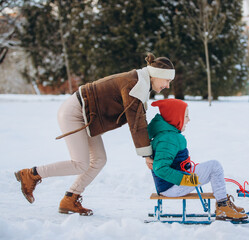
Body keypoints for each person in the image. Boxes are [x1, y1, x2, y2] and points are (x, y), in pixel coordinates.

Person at [15, 53, 175, 216]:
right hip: (75, 112)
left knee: (99, 159)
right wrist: (147, 155)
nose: (168, 86)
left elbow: (139, 119)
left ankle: (70, 199)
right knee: (80, 163)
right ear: (157, 75)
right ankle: (31, 174)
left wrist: (147, 151)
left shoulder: (139, 82)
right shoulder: (135, 85)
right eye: (167, 80)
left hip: (87, 116)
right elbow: (137, 124)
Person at [148, 99, 248, 220]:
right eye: (185, 116)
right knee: (214, 166)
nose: (188, 120)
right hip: (172, 187)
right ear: (175, 117)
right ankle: (222, 206)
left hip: (172, 183)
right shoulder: (168, 139)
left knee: (212, 168)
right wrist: (185, 179)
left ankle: (223, 204)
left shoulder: (168, 135)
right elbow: (160, 168)